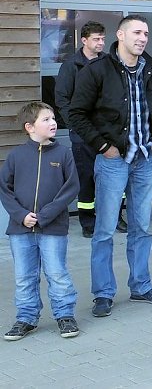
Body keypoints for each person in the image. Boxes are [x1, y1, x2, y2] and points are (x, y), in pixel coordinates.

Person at [68, 14, 152, 318]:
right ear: (121, 35)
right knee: (104, 230)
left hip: (144, 159)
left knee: (141, 227)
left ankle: (141, 285)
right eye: (137, 32)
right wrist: (103, 146)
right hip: (113, 160)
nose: (143, 38)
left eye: (147, 34)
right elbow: (76, 114)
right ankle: (103, 293)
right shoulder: (97, 70)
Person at [0, 102, 80, 340]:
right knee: (25, 276)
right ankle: (26, 317)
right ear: (30, 127)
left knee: (57, 273)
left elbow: (71, 187)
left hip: (52, 227)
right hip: (20, 229)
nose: (53, 122)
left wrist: (44, 216)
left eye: (53, 118)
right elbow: (5, 189)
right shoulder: (15, 156)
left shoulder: (64, 154)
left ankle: (65, 315)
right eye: (46, 119)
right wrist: (21, 215)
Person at [54, 21, 126, 238]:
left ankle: (115, 218)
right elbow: (62, 100)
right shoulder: (71, 66)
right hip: (82, 135)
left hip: (107, 133)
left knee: (115, 179)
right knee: (86, 180)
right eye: (96, 39)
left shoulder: (110, 63)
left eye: (103, 39)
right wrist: (77, 126)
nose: (101, 43)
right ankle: (88, 223)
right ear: (84, 40)